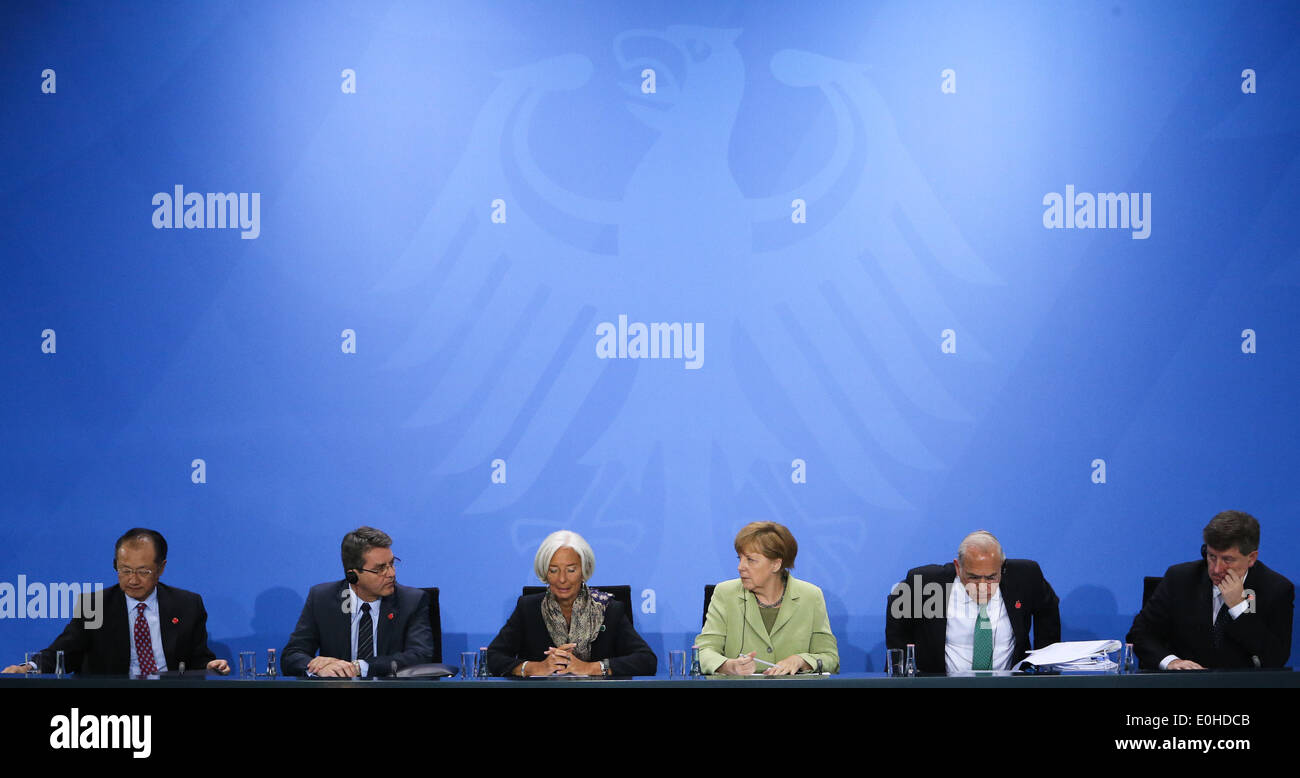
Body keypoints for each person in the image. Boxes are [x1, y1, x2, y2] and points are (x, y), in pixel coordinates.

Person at [2, 528, 229, 676]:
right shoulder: (95, 605)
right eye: (124, 570)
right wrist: (30, 667)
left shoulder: (187, 604)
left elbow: (199, 658)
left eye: (143, 571)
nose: (132, 579)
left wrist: (210, 666)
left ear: (161, 568)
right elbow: (65, 651)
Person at [1127, 510, 1294, 670]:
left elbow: (1275, 658)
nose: (1216, 569)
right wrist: (1171, 662)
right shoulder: (1180, 579)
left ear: (1251, 558)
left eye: (1227, 559)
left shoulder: (1275, 589)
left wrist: (1239, 608)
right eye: (1212, 556)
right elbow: (1140, 633)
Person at [486, 530, 656, 676]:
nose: (562, 579)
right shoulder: (528, 609)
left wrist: (590, 668)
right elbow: (493, 657)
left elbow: (647, 660)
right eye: (553, 570)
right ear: (545, 572)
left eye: (571, 570)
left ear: (584, 570)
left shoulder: (609, 610)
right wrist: (535, 667)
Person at [885, 530, 1059, 674]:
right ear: (958, 567)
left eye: (991, 577)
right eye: (974, 577)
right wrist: (899, 668)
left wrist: (1044, 664)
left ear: (1002, 567)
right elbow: (897, 609)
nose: (982, 587)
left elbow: (1048, 607)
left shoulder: (1026, 576)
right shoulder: (926, 583)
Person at [281, 526, 433, 677]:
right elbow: (292, 655)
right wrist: (318, 667)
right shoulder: (322, 599)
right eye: (380, 569)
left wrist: (360, 667)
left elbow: (421, 656)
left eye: (392, 564)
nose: (391, 573)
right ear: (352, 575)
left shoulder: (411, 601)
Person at [696, 521, 839, 675]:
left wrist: (801, 660)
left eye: (750, 560)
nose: (740, 567)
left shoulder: (810, 596)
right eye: (740, 558)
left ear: (776, 564)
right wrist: (728, 666)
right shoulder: (725, 593)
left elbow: (830, 658)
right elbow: (703, 651)